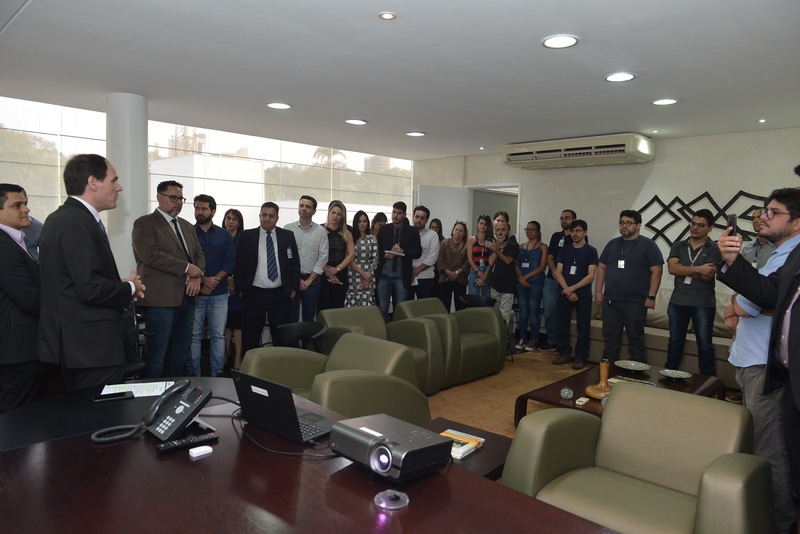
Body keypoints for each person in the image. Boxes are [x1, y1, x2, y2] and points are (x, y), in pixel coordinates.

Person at [717, 187, 800, 524]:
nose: (763, 217)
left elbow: (766, 298)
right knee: (758, 443)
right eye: (764, 210)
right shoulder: (781, 253)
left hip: (766, 365)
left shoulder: (794, 255)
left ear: (796, 222)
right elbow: (757, 296)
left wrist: (738, 303)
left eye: (773, 212)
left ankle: (778, 523)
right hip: (750, 358)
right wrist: (741, 299)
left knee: (770, 451)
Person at [39, 154, 145, 390]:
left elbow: (73, 280)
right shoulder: (77, 222)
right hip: (90, 347)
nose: (119, 187)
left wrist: (120, 284)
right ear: (93, 182)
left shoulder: (61, 218)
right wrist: (130, 287)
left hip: (78, 346)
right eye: (113, 180)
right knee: (101, 411)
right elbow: (90, 288)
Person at [133, 180, 204, 378]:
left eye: (181, 198)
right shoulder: (144, 223)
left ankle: (175, 389)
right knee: (158, 355)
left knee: (180, 352)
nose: (178, 202)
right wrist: (187, 268)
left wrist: (196, 277)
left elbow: (199, 255)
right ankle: (152, 393)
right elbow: (150, 255)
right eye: (173, 198)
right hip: (160, 300)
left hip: (188, 297)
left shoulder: (187, 226)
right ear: (159, 197)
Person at [594, 209, 664, 363]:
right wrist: (598, 291)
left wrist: (651, 296)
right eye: (622, 223)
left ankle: (636, 374)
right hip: (611, 301)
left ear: (638, 226)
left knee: (635, 340)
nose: (624, 226)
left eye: (629, 223)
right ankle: (607, 373)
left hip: (635, 302)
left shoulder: (648, 245)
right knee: (610, 339)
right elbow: (602, 267)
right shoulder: (612, 244)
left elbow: (657, 271)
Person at [235, 202, 300, 351]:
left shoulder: (287, 236)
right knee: (251, 336)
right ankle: (250, 365)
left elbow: (295, 263)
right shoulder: (246, 236)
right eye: (264, 215)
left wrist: (294, 288)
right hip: (254, 294)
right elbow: (238, 264)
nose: (267, 219)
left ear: (277, 218)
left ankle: (278, 365)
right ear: (259, 216)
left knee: (280, 337)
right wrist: (241, 289)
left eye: (271, 216)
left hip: (280, 294)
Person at [664, 209, 722, 376]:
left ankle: (708, 381)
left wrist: (683, 269)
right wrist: (699, 269)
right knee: (675, 342)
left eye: (700, 225)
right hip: (678, 302)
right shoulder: (678, 245)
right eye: (693, 223)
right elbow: (672, 269)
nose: (695, 228)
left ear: (710, 227)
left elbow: (707, 276)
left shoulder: (714, 248)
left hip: (703, 304)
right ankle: (669, 377)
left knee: (704, 344)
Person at [0, 184, 42, 410]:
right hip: (16, 349)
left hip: (20, 347)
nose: (26, 209)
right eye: (17, 205)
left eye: (25, 203)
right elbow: (29, 297)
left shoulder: (15, 240)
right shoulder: (3, 245)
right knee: (17, 416)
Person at [189, 194, 235, 377]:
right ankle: (195, 375)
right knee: (194, 336)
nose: (199, 212)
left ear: (213, 211)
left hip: (219, 293)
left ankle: (218, 374)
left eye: (204, 209)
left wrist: (213, 281)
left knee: (218, 336)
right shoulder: (188, 233)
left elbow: (231, 261)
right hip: (195, 294)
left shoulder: (224, 234)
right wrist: (203, 280)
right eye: (197, 208)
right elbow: (185, 261)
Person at [553, 220, 598, 369]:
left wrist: (572, 288)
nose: (575, 234)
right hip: (565, 293)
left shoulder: (591, 251)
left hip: (583, 294)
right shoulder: (565, 250)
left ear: (585, 232)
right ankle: (564, 353)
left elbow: (591, 275)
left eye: (578, 231)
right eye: (572, 231)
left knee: (583, 327)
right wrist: (567, 289)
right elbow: (558, 272)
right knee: (562, 324)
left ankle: (580, 357)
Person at [284, 195, 328, 322]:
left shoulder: (320, 231)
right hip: (292, 280)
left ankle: (308, 337)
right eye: (301, 205)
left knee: (309, 317)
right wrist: (296, 278)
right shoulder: (287, 229)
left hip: (312, 281)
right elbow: (284, 256)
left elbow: (323, 257)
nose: (304, 209)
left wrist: (309, 280)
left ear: (314, 211)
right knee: (291, 316)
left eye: (308, 207)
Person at [376, 201, 422, 322]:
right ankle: (383, 330)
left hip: (401, 276)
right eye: (394, 212)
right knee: (383, 306)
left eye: (399, 213)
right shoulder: (384, 229)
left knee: (400, 308)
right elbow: (377, 251)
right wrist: (386, 255)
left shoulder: (412, 231)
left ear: (405, 214)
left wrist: (403, 251)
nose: (395, 216)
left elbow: (418, 252)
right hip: (384, 275)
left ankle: (398, 330)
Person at [541, 209, 577, 352]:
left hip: (568, 282)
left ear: (574, 220)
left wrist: (562, 276)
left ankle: (562, 344)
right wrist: (555, 272)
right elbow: (550, 257)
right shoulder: (556, 236)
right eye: (561, 218)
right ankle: (551, 341)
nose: (563, 220)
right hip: (552, 279)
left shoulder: (577, 237)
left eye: (567, 218)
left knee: (563, 314)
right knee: (549, 312)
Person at [515, 221, 548, 351]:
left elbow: (542, 267)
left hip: (536, 282)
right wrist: (521, 278)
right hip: (521, 283)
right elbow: (515, 264)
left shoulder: (543, 247)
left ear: (538, 231)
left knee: (534, 311)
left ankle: (533, 339)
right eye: (527, 229)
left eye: (532, 229)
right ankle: (522, 337)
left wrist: (526, 277)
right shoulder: (521, 246)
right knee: (523, 312)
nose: (529, 232)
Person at [317, 200, 355, 310]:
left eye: (339, 214)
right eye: (333, 212)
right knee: (323, 309)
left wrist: (337, 269)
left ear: (342, 217)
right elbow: (315, 253)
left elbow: (352, 254)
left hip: (341, 274)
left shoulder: (347, 233)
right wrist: (329, 272)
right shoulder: (319, 230)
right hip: (322, 273)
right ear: (329, 212)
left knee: (337, 309)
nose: (335, 216)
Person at [223, 209, 244, 370]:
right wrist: (227, 279)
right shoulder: (219, 236)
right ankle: (224, 356)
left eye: (234, 219)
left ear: (239, 223)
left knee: (237, 323)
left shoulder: (243, 239)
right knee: (225, 324)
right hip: (221, 285)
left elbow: (245, 263)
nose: (230, 222)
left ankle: (238, 357)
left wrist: (236, 283)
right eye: (228, 218)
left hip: (239, 288)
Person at [487, 218, 519, 326]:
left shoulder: (513, 245)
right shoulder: (495, 243)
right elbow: (490, 261)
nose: (500, 232)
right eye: (498, 230)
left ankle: (503, 335)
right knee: (494, 315)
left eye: (503, 230)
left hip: (508, 287)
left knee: (504, 316)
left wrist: (497, 249)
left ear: (508, 231)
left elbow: (507, 261)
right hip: (495, 284)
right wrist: (497, 246)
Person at [345, 210, 378, 307]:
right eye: (359, 221)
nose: (362, 224)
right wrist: (363, 274)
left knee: (367, 303)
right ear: (355, 223)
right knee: (352, 305)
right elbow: (349, 259)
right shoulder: (351, 238)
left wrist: (368, 275)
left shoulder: (372, 238)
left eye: (365, 221)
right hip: (353, 275)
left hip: (369, 275)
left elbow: (375, 259)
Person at [436, 220, 469, 311]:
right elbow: (440, 259)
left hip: (460, 278)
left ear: (464, 234)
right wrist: (448, 272)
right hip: (445, 277)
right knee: (444, 305)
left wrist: (457, 272)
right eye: (456, 229)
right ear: (452, 230)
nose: (458, 232)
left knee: (460, 306)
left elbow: (468, 261)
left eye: (461, 231)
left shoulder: (467, 245)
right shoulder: (444, 243)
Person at [410, 205, 440, 300]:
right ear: (413, 217)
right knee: (406, 305)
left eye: (422, 218)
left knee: (423, 306)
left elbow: (432, 257)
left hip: (425, 277)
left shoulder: (432, 235)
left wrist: (417, 270)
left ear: (426, 220)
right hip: (408, 276)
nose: (419, 220)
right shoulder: (407, 233)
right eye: (417, 217)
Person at [466, 214, 493, 298]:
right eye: (481, 223)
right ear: (477, 224)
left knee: (486, 299)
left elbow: (492, 260)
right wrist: (478, 273)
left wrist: (484, 275)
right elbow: (470, 259)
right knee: (473, 299)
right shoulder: (471, 240)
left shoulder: (491, 241)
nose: (483, 226)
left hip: (486, 271)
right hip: (475, 270)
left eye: (485, 224)